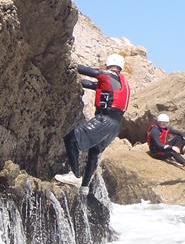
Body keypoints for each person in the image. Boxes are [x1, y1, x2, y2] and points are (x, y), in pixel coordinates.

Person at [55, 54, 129, 195]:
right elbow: (93, 85)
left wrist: (62, 61)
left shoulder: (106, 74)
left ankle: (75, 175)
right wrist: (77, 82)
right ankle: (84, 187)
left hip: (104, 120)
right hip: (115, 126)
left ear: (108, 64)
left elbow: (85, 70)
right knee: (94, 152)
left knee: (70, 140)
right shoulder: (120, 82)